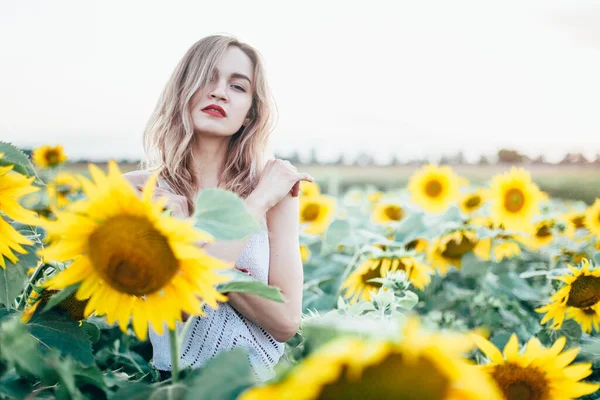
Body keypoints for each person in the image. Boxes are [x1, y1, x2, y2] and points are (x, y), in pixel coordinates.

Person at [122, 34, 314, 381]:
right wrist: (253, 208)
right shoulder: (138, 190)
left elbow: (286, 322)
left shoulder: (276, 192)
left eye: (238, 87)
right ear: (183, 90)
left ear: (248, 115)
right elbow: (180, 307)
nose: (219, 92)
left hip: (262, 384)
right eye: (208, 78)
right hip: (176, 384)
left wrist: (195, 255)